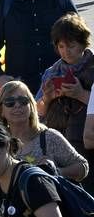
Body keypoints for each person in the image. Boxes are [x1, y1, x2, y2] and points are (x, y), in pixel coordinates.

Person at [37, 13, 94, 191]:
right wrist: (47, 99)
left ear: (83, 44)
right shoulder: (52, 72)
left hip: (87, 145)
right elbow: (38, 112)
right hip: (61, 144)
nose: (65, 51)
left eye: (71, 46)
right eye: (61, 46)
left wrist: (81, 94)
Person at [0, 80, 88, 181]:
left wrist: (55, 172)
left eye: (23, 101)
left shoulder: (49, 137)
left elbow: (83, 166)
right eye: (10, 102)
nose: (17, 105)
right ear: (1, 111)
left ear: (31, 106)